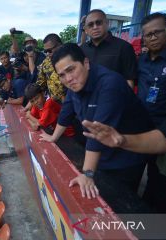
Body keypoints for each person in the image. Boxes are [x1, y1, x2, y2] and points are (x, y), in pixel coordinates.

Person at [41, 43, 154, 205]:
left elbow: (98, 131)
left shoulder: (110, 84)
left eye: (71, 69)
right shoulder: (75, 84)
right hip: (102, 153)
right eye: (62, 75)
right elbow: (67, 111)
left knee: (121, 205)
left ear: (86, 63)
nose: (68, 78)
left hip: (128, 154)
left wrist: (87, 174)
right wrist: (53, 137)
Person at [82, 112, 166, 213]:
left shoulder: (109, 98)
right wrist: (122, 141)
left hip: (128, 164)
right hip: (162, 169)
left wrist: (87, 175)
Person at [81, 9, 137, 88]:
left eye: (99, 23)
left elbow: (130, 81)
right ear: (86, 30)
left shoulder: (124, 47)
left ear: (107, 24)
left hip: (114, 98)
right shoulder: (83, 49)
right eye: (90, 25)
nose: (95, 27)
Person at [137, 12, 166, 126]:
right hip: (138, 121)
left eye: (157, 32)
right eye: (148, 34)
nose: (153, 38)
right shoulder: (141, 60)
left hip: (164, 128)